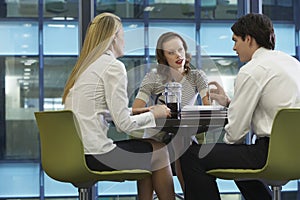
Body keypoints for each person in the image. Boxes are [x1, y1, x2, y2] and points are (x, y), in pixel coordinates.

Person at [179, 13, 300, 200]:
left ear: (249, 39)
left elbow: (235, 135)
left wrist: (231, 124)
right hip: (295, 154)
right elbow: (273, 106)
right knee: (237, 157)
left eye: (236, 41)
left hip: (270, 154)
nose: (234, 47)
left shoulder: (252, 70)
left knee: (192, 155)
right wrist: (231, 104)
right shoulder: (292, 63)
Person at [62, 12, 176, 200]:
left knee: (147, 150)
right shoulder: (113, 66)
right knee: (159, 150)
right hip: (97, 155)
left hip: (74, 154)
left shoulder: (84, 68)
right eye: (123, 34)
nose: (125, 40)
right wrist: (154, 114)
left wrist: (133, 111)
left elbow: (93, 111)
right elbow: (124, 126)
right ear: (114, 37)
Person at [132, 31, 211, 191]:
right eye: (171, 52)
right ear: (163, 57)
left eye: (180, 49)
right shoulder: (153, 78)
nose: (178, 55)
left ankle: (189, 193)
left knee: (181, 140)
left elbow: (208, 106)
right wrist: (153, 109)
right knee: (154, 150)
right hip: (157, 134)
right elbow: (136, 109)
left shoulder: (197, 76)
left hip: (183, 136)